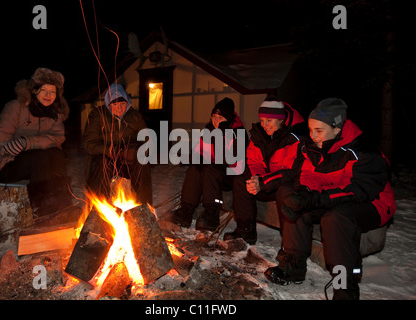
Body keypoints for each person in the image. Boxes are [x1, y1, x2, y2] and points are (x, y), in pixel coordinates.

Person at [264, 98, 396, 300]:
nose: (312, 136)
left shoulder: (364, 153)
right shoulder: (313, 147)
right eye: (310, 129)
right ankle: (293, 265)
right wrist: (304, 193)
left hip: (373, 203)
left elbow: (357, 191)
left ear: (337, 129)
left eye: (319, 130)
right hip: (330, 196)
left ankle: (344, 287)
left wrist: (315, 199)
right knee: (296, 201)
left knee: (336, 217)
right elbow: (307, 175)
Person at [0, 67, 78, 218]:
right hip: (2, 163)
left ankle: (62, 203)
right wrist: (14, 145)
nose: (48, 95)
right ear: (35, 90)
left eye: (52, 91)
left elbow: (58, 137)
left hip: (32, 162)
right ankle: (39, 207)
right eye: (44, 90)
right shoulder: (16, 107)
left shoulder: (54, 114)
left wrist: (28, 142)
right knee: (41, 156)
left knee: (55, 153)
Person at [223, 97, 305, 244]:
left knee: (286, 189)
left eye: (269, 120)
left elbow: (291, 171)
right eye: (262, 120)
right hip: (265, 181)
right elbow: (253, 160)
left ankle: (290, 244)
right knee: (242, 177)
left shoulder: (295, 138)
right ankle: (245, 230)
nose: (264, 125)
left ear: (280, 119)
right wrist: (256, 177)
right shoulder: (259, 134)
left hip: (282, 183)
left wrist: (263, 182)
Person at [169, 97, 247, 231]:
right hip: (212, 170)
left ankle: (212, 213)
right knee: (195, 169)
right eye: (214, 117)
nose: (216, 121)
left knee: (210, 168)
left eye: (220, 118)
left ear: (228, 119)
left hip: (231, 174)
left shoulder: (238, 133)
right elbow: (198, 151)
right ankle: (186, 211)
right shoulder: (208, 131)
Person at [83, 83, 152, 205]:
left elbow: (147, 140)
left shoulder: (135, 116)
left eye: (123, 104)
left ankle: (144, 208)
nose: (119, 108)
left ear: (128, 103)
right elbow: (90, 144)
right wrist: (109, 150)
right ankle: (98, 207)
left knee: (142, 163)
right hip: (106, 156)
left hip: (127, 158)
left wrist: (136, 151)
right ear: (108, 104)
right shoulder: (98, 115)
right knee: (102, 164)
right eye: (115, 104)